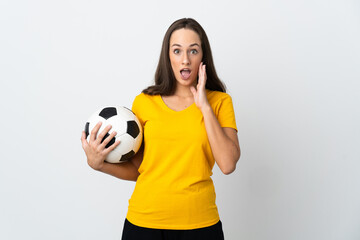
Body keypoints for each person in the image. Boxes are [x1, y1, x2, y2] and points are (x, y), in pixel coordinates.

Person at [81, 18, 240, 240]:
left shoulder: (219, 102)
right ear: (168, 56)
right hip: (143, 223)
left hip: (200, 225)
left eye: (193, 51)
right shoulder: (145, 102)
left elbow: (228, 164)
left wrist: (203, 105)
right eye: (177, 51)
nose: (185, 59)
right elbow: (139, 170)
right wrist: (99, 165)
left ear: (203, 56)